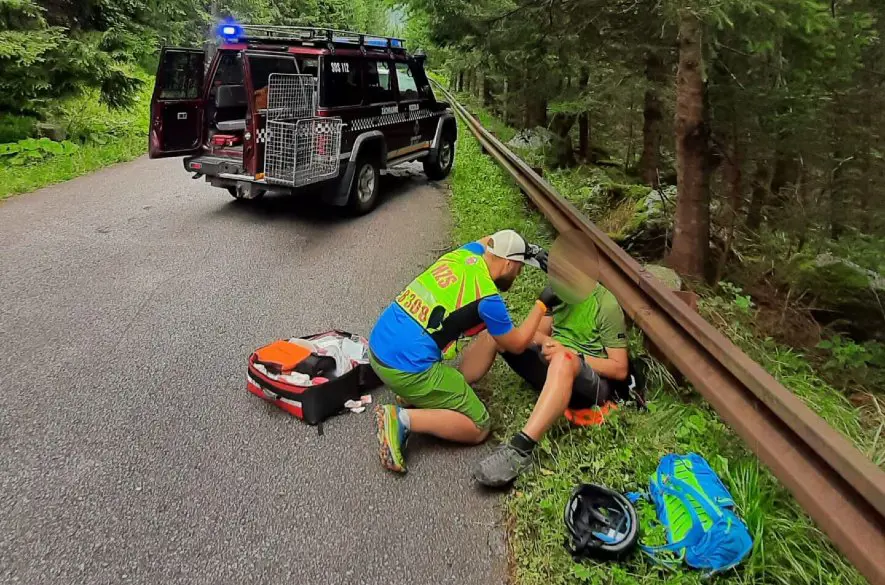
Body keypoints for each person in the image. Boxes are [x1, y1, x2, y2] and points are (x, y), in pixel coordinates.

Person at [368, 229, 555, 473]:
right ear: (509, 264)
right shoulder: (488, 298)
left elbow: (485, 240)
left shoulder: (465, 255)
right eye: (519, 269)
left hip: (378, 346)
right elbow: (517, 344)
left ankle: (422, 395)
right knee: (479, 426)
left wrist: (530, 249)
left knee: (491, 336)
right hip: (406, 369)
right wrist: (542, 304)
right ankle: (402, 419)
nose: (518, 275)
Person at [461, 277, 630, 487]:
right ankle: (450, 390)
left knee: (564, 360)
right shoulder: (560, 290)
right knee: (496, 334)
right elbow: (537, 334)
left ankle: (521, 449)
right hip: (555, 364)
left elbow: (620, 368)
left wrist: (572, 354)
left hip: (590, 382)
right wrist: (550, 341)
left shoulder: (606, 304)